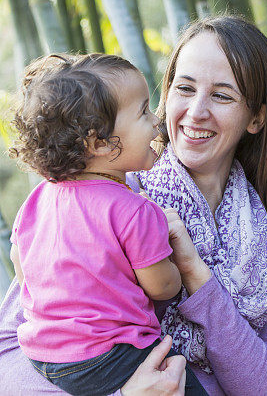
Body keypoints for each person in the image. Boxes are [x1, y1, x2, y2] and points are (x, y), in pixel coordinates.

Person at [0, 16, 267, 396]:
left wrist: (194, 273)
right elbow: (11, 351)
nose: (196, 112)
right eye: (185, 88)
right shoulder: (94, 195)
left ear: (256, 116)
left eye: (222, 96)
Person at [8, 53, 206, 396]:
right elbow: (162, 288)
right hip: (112, 355)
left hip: (44, 356)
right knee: (180, 381)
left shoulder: (38, 199)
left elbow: (20, 265)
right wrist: (176, 263)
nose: (156, 121)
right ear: (99, 142)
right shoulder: (136, 211)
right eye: (143, 112)